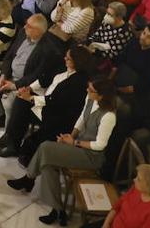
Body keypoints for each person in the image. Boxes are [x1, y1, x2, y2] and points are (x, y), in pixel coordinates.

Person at [7, 77, 119, 223]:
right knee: (48, 165)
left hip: (92, 156)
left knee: (46, 147)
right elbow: (81, 119)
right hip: (78, 145)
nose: (87, 91)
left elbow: (100, 145)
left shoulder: (109, 115)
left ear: (102, 95)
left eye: (91, 90)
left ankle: (29, 178)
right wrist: (70, 136)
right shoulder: (90, 99)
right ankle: (58, 210)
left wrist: (74, 142)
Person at [0, 13, 65, 135]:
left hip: (24, 81)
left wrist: (14, 85)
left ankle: (9, 134)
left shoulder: (48, 49)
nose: (24, 27)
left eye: (29, 26)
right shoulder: (22, 34)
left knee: (9, 104)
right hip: (9, 74)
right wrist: (3, 75)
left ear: (38, 31)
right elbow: (9, 56)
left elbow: (37, 75)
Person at [99, 164, 150, 228]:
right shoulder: (137, 188)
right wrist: (106, 223)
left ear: (149, 187)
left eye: (139, 179)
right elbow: (117, 205)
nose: (134, 180)